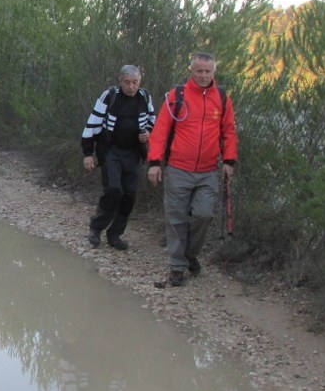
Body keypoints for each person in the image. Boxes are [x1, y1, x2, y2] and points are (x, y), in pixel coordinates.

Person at [147, 52, 237, 287]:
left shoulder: (223, 98)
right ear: (191, 72)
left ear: (214, 72)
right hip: (178, 168)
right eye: (199, 71)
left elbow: (228, 131)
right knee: (175, 218)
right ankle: (177, 267)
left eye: (208, 71)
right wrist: (155, 163)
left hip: (208, 171)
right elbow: (160, 131)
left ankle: (189, 254)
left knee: (204, 214)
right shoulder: (176, 96)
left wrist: (229, 161)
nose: (204, 75)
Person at [81, 65, 155, 250]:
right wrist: (88, 154)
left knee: (129, 196)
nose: (131, 87)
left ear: (140, 82)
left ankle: (115, 234)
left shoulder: (144, 97)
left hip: (133, 153)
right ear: (120, 81)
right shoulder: (109, 96)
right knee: (113, 190)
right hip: (111, 151)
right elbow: (93, 123)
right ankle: (96, 228)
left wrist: (146, 133)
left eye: (135, 82)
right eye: (127, 82)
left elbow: (153, 123)